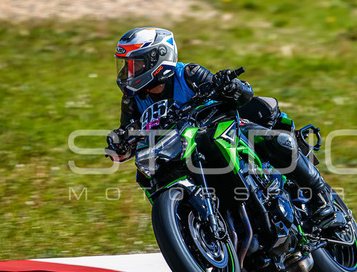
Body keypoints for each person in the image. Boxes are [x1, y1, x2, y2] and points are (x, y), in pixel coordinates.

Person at [106, 27, 334, 224]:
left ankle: (320, 196)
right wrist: (120, 143)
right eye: (126, 66)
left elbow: (240, 93)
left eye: (136, 64)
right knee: (146, 175)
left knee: (275, 140)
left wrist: (230, 86)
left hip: (217, 130)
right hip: (177, 152)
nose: (128, 72)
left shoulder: (188, 74)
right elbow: (130, 136)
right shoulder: (132, 101)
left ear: (157, 58)